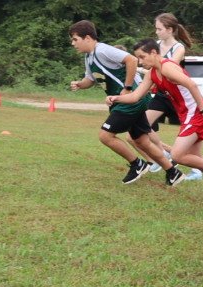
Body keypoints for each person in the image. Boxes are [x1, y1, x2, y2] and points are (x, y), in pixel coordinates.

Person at [67, 20, 172, 183]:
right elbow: (91, 79)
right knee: (141, 140)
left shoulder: (102, 50)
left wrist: (128, 87)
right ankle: (172, 171)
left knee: (105, 136)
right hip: (122, 101)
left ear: (87, 37)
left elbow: (131, 60)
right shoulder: (89, 57)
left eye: (75, 39)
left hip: (130, 101)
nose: (73, 43)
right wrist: (80, 84)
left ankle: (137, 164)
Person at [112, 40, 203, 189]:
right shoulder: (153, 73)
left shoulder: (167, 67)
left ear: (154, 53)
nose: (140, 62)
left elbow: (191, 84)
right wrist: (116, 98)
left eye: (142, 57)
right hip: (187, 114)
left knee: (177, 155)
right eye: (138, 58)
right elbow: (135, 96)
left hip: (196, 113)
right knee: (195, 158)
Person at [139, 13, 194, 174]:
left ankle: (196, 169)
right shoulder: (155, 45)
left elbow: (166, 67)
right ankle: (162, 154)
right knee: (142, 124)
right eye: (156, 29)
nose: (156, 32)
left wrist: (142, 68)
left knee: (188, 135)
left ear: (170, 30)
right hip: (163, 94)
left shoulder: (179, 48)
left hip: (178, 96)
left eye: (159, 29)